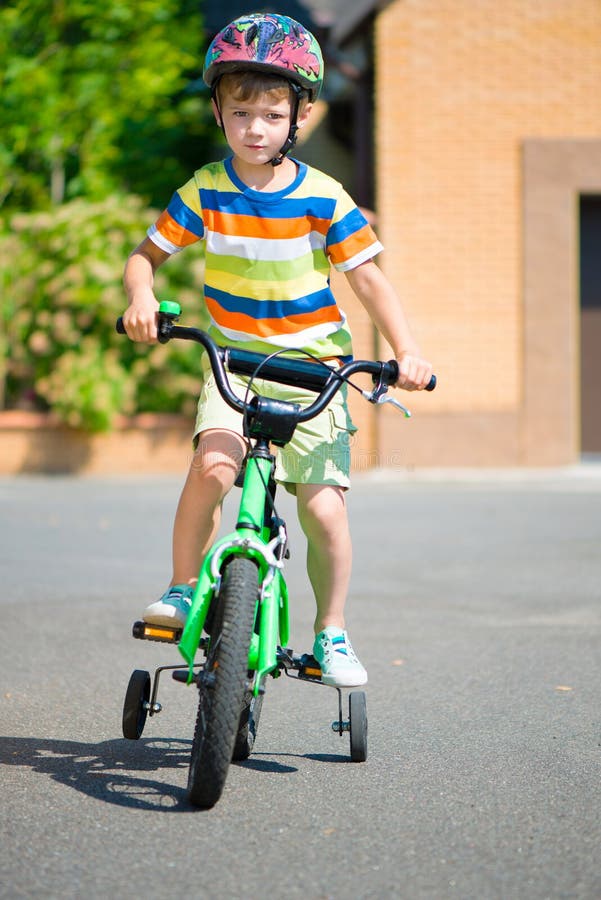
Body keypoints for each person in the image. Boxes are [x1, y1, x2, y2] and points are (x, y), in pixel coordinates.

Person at [121, 11, 433, 688]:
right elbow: (143, 258)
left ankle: (330, 633)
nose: (253, 128)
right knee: (210, 466)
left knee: (322, 508)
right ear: (218, 112)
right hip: (231, 362)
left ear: (300, 115)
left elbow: (369, 279)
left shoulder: (323, 197)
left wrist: (406, 351)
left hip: (313, 367)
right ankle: (180, 591)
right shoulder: (204, 191)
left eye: (269, 114)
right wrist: (141, 298)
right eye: (239, 114)